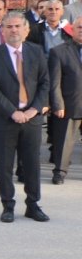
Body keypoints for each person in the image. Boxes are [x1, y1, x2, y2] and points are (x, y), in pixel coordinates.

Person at [0, 12, 49, 223]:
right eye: (9, 27)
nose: (14, 30)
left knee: (31, 164)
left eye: (17, 26)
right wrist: (13, 111)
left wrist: (33, 110)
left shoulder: (36, 52)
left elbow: (44, 83)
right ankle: (8, 206)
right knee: (4, 166)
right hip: (4, 120)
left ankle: (33, 205)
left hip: (31, 119)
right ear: (2, 31)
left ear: (26, 29)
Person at [48, 22, 82, 183]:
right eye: (80, 27)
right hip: (69, 104)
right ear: (72, 29)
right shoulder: (59, 51)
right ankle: (59, 172)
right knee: (64, 142)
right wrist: (58, 104)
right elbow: (54, 82)